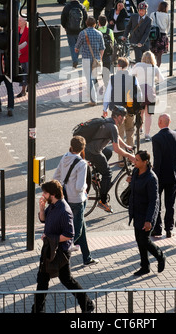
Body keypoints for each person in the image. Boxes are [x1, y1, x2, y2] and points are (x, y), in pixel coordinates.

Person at [31, 180, 95, 313]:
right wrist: (41, 208)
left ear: (53, 194)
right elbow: (43, 219)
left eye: (45, 193)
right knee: (42, 279)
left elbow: (69, 234)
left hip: (60, 252)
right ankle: (37, 310)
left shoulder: (64, 210)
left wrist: (50, 238)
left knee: (67, 280)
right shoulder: (53, 205)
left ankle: (88, 304)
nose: (43, 195)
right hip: (49, 249)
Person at [53, 136, 99, 266]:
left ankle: (87, 258)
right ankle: (61, 252)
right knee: (77, 230)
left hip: (66, 198)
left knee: (82, 228)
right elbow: (80, 187)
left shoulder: (64, 157)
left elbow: (56, 176)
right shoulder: (82, 163)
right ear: (83, 148)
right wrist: (85, 190)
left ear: (71, 146)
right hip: (78, 201)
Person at [85, 105, 136, 213]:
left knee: (108, 152)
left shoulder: (109, 121)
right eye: (123, 117)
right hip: (93, 152)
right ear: (117, 117)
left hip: (88, 149)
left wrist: (126, 146)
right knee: (108, 173)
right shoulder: (112, 126)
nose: (124, 118)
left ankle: (95, 174)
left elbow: (116, 136)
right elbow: (116, 149)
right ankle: (103, 201)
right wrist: (130, 156)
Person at [128, 150, 166, 276]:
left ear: (145, 162)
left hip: (146, 215)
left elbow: (153, 201)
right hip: (137, 213)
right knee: (139, 240)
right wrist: (131, 180)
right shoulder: (135, 172)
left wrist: (149, 220)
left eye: (137, 160)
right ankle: (145, 266)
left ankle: (160, 256)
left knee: (144, 240)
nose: (134, 161)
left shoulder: (151, 178)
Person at [152, 113, 176, 237]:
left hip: (160, 176)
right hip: (173, 175)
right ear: (169, 122)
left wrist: (155, 176)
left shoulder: (156, 138)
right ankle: (169, 229)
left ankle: (157, 229)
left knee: (157, 204)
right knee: (170, 204)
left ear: (160, 122)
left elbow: (157, 160)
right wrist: (174, 166)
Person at [103, 57, 141, 162]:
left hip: (117, 111)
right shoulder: (133, 78)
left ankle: (121, 160)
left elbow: (108, 94)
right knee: (130, 131)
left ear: (119, 66)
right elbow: (139, 93)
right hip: (130, 109)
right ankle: (130, 157)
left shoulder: (113, 78)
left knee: (119, 135)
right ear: (127, 66)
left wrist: (105, 108)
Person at [131, 51, 164, 142]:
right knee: (148, 115)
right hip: (150, 93)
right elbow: (162, 80)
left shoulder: (138, 65)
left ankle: (140, 128)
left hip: (139, 93)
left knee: (140, 112)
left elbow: (131, 76)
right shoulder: (154, 68)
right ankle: (147, 134)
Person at [75, 17, 105, 106]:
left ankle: (93, 99)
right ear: (95, 24)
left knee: (89, 79)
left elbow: (77, 47)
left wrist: (76, 50)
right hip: (96, 59)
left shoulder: (82, 33)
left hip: (86, 59)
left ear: (86, 23)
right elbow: (102, 48)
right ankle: (95, 95)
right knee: (94, 78)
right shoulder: (99, 33)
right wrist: (100, 58)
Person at [61, 0, 87, 68]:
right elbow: (86, 18)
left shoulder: (67, 7)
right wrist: (84, 28)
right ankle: (76, 58)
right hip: (80, 30)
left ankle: (74, 60)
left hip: (70, 30)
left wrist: (65, 27)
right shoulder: (82, 7)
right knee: (78, 45)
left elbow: (63, 18)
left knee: (72, 45)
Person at [149, 1, 170, 67]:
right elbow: (168, 27)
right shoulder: (167, 16)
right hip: (162, 35)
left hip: (154, 35)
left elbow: (150, 24)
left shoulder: (153, 14)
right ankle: (157, 69)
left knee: (153, 54)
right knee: (159, 56)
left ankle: (152, 68)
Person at [98, 14, 114, 87]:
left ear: (99, 23)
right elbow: (112, 42)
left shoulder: (97, 31)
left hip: (99, 53)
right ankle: (106, 83)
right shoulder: (109, 31)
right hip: (107, 53)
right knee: (106, 69)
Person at [17, 17, 29, 98]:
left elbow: (29, 44)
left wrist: (20, 51)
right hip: (19, 56)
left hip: (26, 55)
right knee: (22, 73)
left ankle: (23, 90)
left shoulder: (28, 31)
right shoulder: (16, 29)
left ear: (25, 22)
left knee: (26, 73)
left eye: (20, 20)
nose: (18, 21)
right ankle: (24, 89)